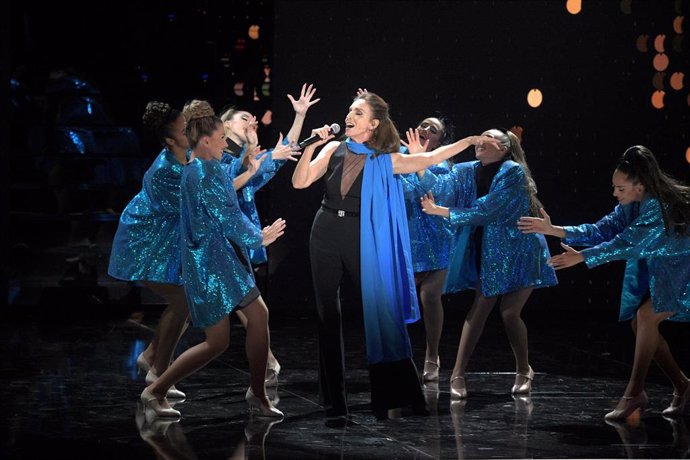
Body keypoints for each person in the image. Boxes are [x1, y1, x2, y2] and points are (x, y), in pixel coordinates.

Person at [291, 90, 497, 421]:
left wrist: (469, 140)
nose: (349, 115)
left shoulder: (383, 159)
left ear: (373, 124)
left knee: (382, 312)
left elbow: (428, 160)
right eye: (350, 110)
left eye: (358, 113)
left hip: (362, 235)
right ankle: (334, 404)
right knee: (328, 316)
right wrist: (311, 148)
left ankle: (400, 395)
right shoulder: (332, 148)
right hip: (325, 231)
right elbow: (300, 182)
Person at [518, 145, 690, 419]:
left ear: (640, 186)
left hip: (683, 266)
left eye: (620, 189)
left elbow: (626, 244)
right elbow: (601, 229)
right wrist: (554, 230)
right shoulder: (631, 205)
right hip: (669, 265)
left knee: (645, 318)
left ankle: (635, 392)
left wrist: (582, 258)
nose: (615, 193)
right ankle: (682, 386)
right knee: (642, 322)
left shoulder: (658, 208)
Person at [140, 100, 286, 419]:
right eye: (221, 139)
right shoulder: (205, 173)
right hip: (211, 268)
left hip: (222, 263)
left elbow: (227, 215)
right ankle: (155, 390)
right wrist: (259, 237)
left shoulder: (201, 168)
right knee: (217, 342)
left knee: (258, 317)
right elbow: (229, 217)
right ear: (206, 141)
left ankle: (258, 393)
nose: (224, 144)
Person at [420, 128, 557, 400]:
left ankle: (523, 370)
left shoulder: (512, 171)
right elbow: (442, 187)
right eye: (479, 135)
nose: (481, 140)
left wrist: (441, 212)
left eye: (489, 137)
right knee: (480, 307)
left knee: (508, 313)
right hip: (491, 251)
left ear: (504, 147)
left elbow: (487, 210)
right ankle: (457, 374)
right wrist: (420, 161)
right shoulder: (469, 169)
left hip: (520, 250)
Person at [220, 83, 319, 386]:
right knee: (241, 307)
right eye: (243, 119)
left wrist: (299, 115)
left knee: (245, 306)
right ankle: (266, 364)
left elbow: (283, 152)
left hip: (235, 241)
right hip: (218, 241)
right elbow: (225, 185)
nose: (250, 122)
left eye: (252, 119)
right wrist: (254, 152)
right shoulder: (214, 158)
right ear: (224, 125)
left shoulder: (246, 157)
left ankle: (267, 363)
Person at [108, 101, 191, 399]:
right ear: (170, 140)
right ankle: (159, 372)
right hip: (141, 243)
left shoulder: (190, 155)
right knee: (183, 301)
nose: (192, 132)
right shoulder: (164, 172)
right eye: (185, 130)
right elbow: (198, 204)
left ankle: (152, 358)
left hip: (165, 240)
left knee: (186, 303)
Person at [398, 116, 456, 383]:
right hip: (407, 237)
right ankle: (399, 355)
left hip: (437, 239)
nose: (425, 129)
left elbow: (436, 191)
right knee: (400, 300)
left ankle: (432, 355)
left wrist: (420, 162)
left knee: (430, 297)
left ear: (440, 141)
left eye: (433, 129)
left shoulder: (442, 163)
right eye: (422, 124)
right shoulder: (400, 154)